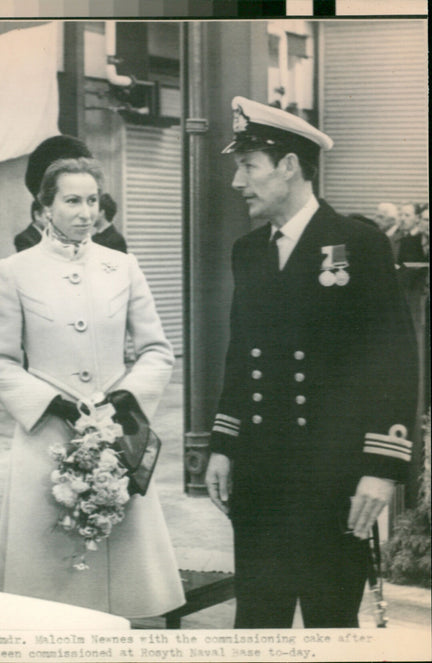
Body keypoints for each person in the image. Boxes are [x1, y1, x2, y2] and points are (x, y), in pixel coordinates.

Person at [205, 97, 418, 628]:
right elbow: (241, 353)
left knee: (329, 622)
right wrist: (224, 445)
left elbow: (395, 359)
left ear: (290, 166)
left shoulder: (358, 244)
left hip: (335, 478)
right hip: (258, 475)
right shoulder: (249, 250)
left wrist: (381, 468)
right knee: (257, 621)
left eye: (248, 166)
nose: (238, 183)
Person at [0, 152, 185, 618]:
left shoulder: (122, 266)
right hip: (46, 440)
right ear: (44, 207)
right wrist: (53, 405)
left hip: (116, 435)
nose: (86, 213)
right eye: (72, 201)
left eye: (92, 200)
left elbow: (157, 350)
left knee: (123, 577)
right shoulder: (16, 271)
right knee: (50, 584)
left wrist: (125, 399)